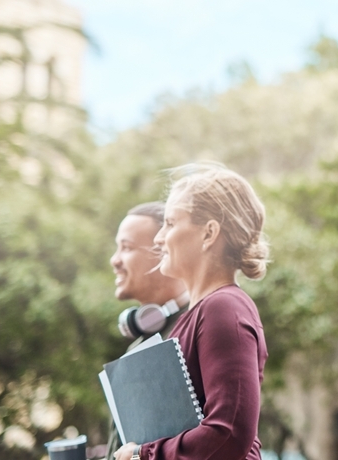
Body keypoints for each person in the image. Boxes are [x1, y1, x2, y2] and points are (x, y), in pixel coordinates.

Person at [113, 164, 269, 460]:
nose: (159, 239)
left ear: (209, 233)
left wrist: (141, 456)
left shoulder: (224, 308)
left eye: (170, 224)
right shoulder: (200, 314)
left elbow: (229, 435)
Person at [99, 202, 190, 460]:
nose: (114, 260)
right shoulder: (140, 343)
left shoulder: (190, 331)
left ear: (164, 251)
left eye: (126, 248)